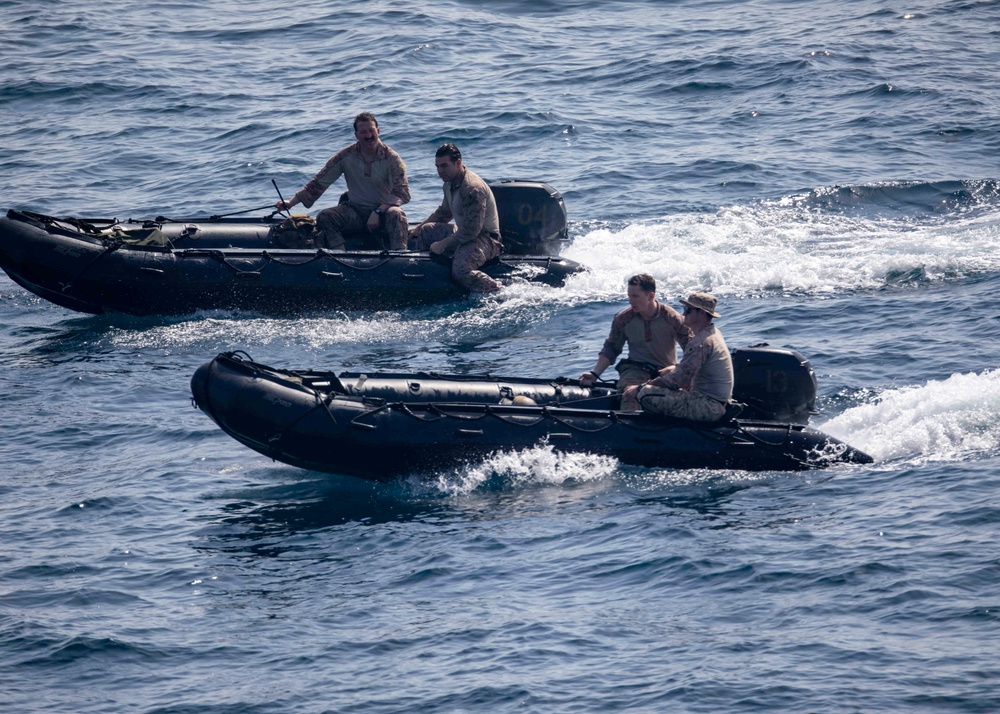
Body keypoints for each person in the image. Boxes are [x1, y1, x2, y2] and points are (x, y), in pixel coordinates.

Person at [275, 112, 410, 250]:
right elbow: (319, 183)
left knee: (397, 214)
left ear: (378, 131)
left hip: (383, 213)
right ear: (356, 135)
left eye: (371, 130)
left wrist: (378, 211)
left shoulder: (392, 159)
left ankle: (399, 257)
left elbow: (402, 192)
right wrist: (291, 203)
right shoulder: (346, 156)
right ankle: (341, 257)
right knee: (325, 216)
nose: (368, 135)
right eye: (363, 132)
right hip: (356, 211)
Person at [579, 274, 692, 408]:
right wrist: (594, 374)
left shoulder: (671, 318)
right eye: (629, 296)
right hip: (635, 370)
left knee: (677, 401)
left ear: (650, 296)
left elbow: (692, 350)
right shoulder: (623, 318)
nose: (631, 301)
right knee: (629, 395)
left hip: (665, 371)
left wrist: (677, 369)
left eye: (635, 296)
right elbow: (611, 349)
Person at [409, 143, 504, 293]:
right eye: (437, 166)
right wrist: (418, 229)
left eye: (444, 166)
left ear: (458, 162)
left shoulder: (472, 189)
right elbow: (443, 213)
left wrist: (443, 245)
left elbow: (471, 232)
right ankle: (426, 279)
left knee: (461, 270)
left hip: (486, 239)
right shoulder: (449, 184)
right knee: (427, 231)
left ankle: (498, 290)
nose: (440, 171)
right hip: (465, 233)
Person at [628, 292, 734, 421]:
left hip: (707, 406)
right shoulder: (712, 333)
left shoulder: (701, 343)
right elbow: (691, 367)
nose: (683, 314)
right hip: (715, 403)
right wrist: (676, 367)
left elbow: (676, 381)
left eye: (688, 310)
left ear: (701, 313)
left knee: (645, 394)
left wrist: (640, 388)